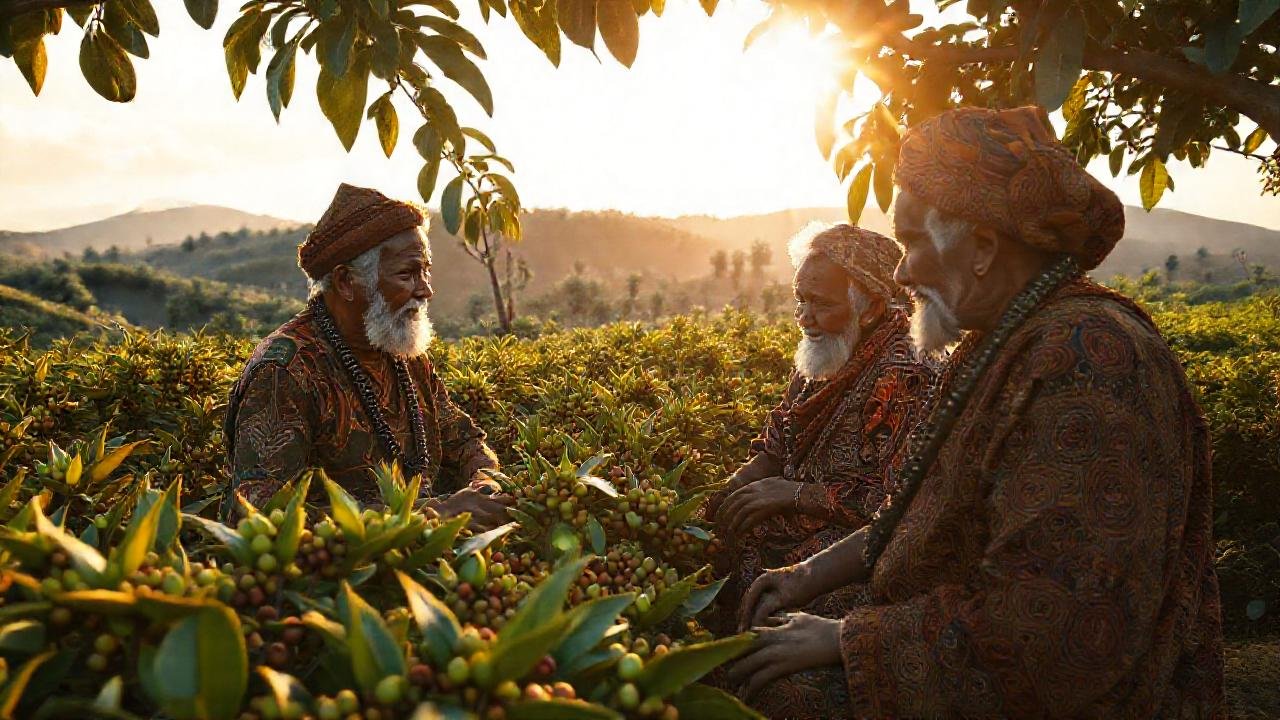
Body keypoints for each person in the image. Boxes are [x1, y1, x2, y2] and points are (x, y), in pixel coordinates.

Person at [730, 106, 1225, 718]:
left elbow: (1054, 631)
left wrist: (844, 638)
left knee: (782, 695)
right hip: (938, 622)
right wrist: (807, 574)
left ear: (984, 247)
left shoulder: (1088, 359)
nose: (902, 271)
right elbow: (919, 510)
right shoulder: (997, 343)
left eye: (912, 242)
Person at [705, 224, 936, 716]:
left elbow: (898, 508)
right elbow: (772, 448)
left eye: (822, 304)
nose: (805, 317)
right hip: (788, 539)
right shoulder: (822, 355)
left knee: (769, 633)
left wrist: (795, 494)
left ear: (872, 306)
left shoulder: (908, 372)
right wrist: (722, 495)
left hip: (855, 554)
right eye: (799, 301)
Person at [223, 183, 511, 528]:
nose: (426, 290)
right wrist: (432, 514)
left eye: (426, 270)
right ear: (346, 282)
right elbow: (256, 512)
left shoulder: (402, 350)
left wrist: (486, 482)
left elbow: (464, 439)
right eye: (407, 273)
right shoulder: (286, 370)